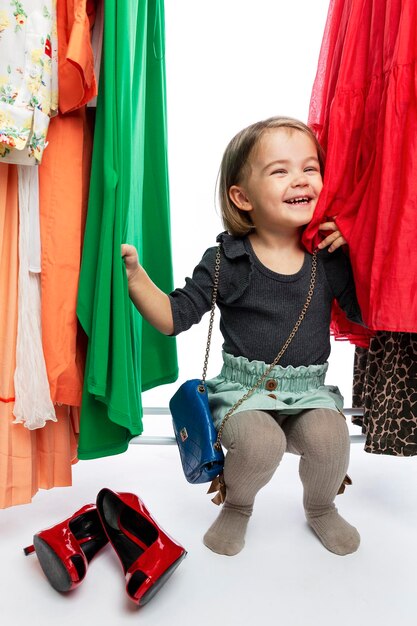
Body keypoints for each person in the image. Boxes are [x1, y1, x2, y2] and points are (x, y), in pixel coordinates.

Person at [122, 116, 363, 557]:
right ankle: (237, 506)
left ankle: (322, 506)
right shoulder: (228, 260)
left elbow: (363, 311)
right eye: (280, 170)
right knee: (260, 444)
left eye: (311, 168)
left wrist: (361, 241)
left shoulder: (327, 256)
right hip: (243, 393)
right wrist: (137, 279)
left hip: (307, 392)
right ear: (242, 196)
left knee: (331, 439)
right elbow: (174, 316)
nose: (301, 179)